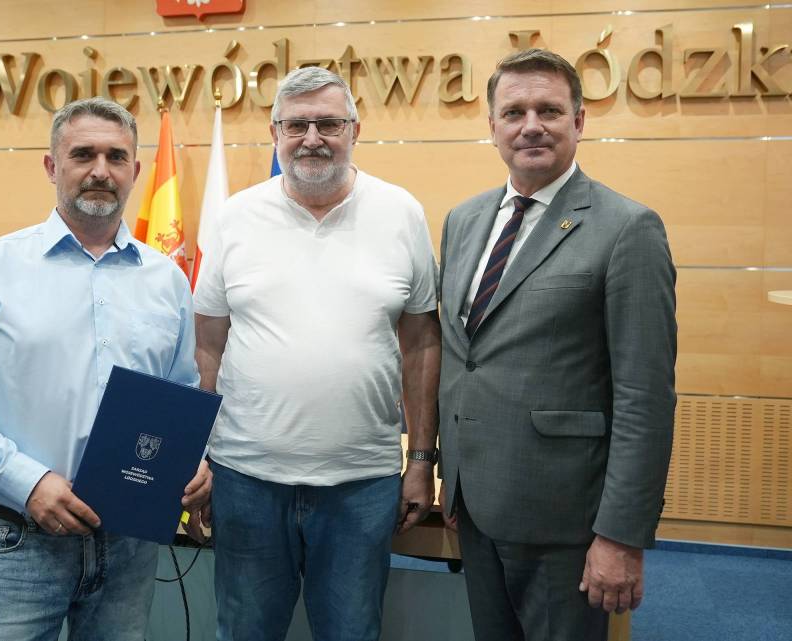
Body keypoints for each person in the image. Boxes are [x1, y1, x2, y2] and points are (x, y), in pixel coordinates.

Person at [0, 97, 209, 641]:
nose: (101, 170)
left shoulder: (165, 279)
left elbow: (180, 397)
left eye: (116, 157)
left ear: (135, 170)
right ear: (52, 166)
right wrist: (28, 482)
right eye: (83, 154)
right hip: (21, 543)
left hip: (129, 546)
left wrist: (195, 460)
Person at [193, 66, 441, 641]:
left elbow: (422, 344)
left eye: (328, 124)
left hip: (362, 483)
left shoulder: (401, 212)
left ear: (355, 130)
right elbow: (207, 344)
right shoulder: (234, 217)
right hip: (246, 478)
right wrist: (197, 454)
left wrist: (421, 459)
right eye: (296, 125)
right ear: (274, 133)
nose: (312, 138)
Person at [437, 49, 677, 641]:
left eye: (549, 110)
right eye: (513, 112)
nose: (531, 126)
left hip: (565, 519)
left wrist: (620, 535)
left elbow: (645, 398)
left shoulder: (627, 228)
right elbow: (466, 355)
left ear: (579, 121)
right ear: (492, 126)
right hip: (475, 503)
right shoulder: (463, 220)